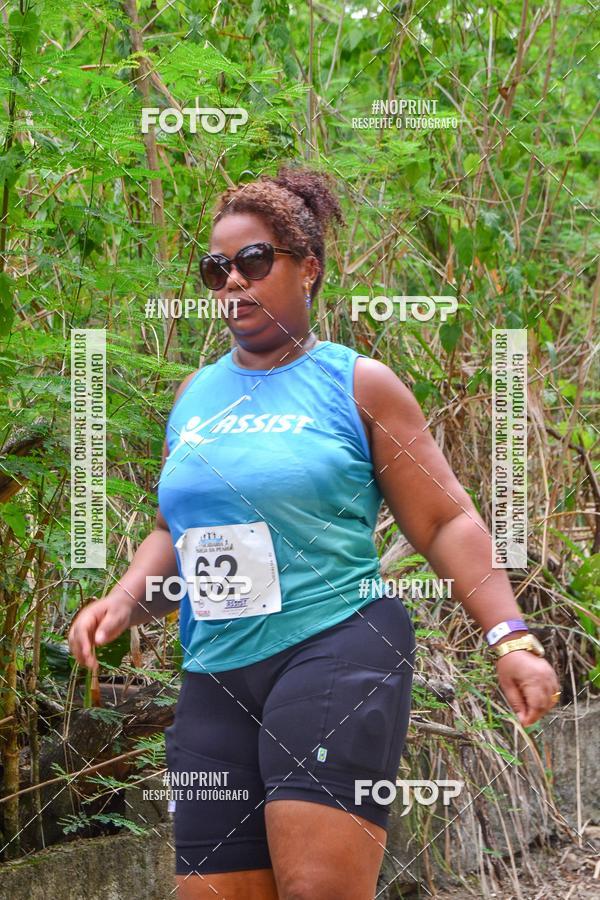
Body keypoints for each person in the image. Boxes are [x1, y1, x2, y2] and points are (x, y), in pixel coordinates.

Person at [69, 165, 561, 900]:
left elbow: (445, 518)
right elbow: (175, 529)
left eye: (255, 261)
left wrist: (510, 637)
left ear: (308, 270)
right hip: (217, 668)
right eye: (216, 269)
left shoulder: (355, 383)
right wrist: (124, 596)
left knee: (318, 889)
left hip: (336, 642)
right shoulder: (195, 395)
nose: (233, 281)